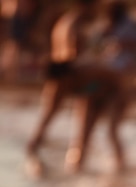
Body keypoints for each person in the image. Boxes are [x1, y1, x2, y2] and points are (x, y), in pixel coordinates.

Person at [26, 0, 127, 175]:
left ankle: (117, 170)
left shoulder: (67, 26)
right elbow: (45, 120)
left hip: (98, 88)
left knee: (105, 132)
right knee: (80, 137)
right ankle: (76, 173)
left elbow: (117, 81)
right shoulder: (73, 26)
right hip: (83, 85)